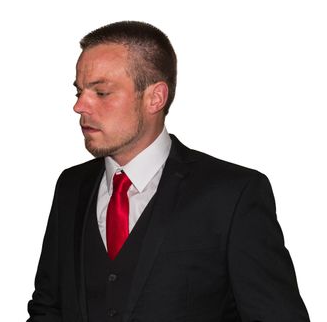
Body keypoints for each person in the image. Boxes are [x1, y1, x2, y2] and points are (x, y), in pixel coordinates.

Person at [27, 21, 309, 322]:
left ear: (155, 98)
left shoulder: (232, 195)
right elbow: (48, 308)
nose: (80, 106)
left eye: (102, 92)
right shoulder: (71, 186)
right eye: (79, 92)